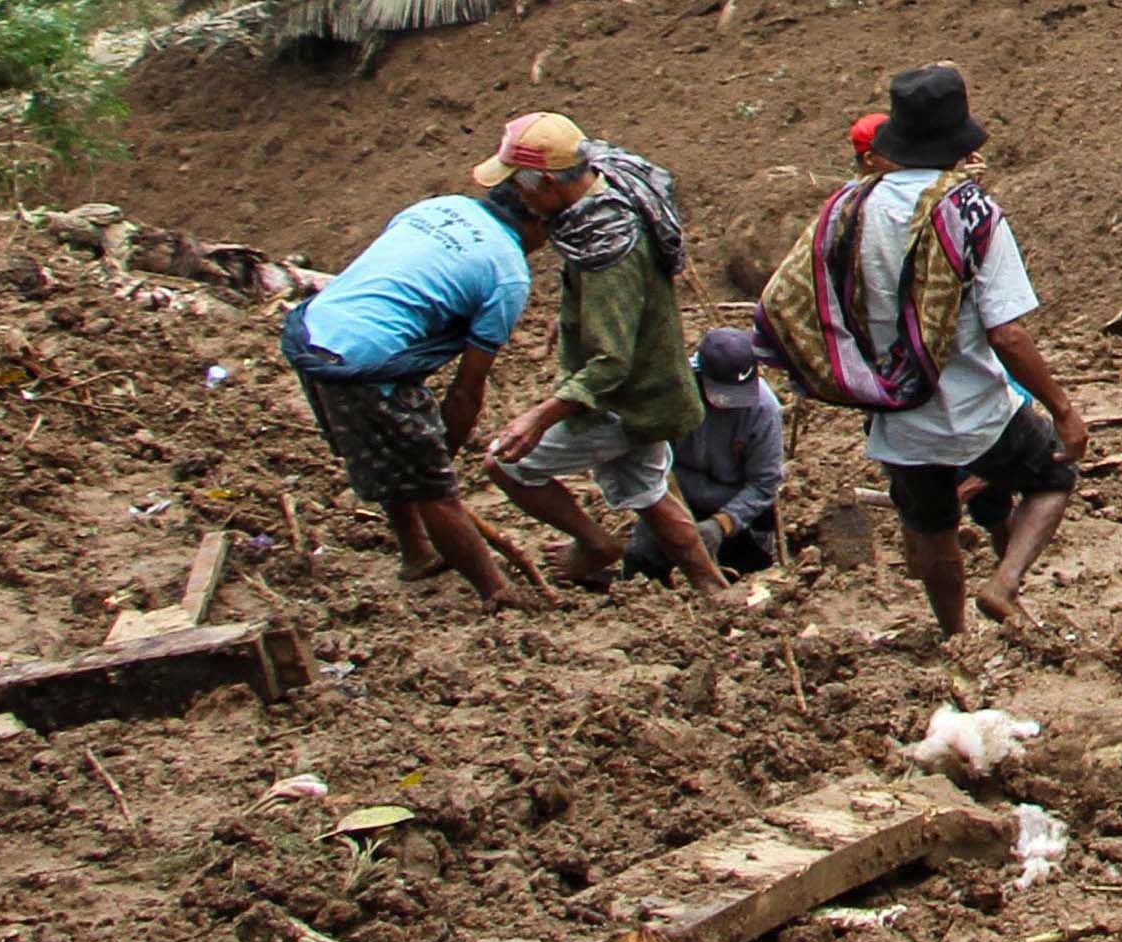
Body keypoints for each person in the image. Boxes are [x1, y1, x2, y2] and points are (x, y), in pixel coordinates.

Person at [281, 139, 579, 605]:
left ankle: (416, 551)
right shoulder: (507, 273)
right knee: (432, 485)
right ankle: (496, 591)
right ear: (537, 222)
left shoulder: (441, 207)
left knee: (396, 457)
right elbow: (466, 390)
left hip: (315, 332)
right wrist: (442, 460)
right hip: (364, 359)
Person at [849, 64, 1081, 641]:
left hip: (896, 410)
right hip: (974, 406)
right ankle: (1003, 584)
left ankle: (953, 637)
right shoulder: (972, 213)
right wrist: (1062, 406)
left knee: (930, 525)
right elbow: (1008, 333)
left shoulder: (852, 212)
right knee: (1052, 478)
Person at [481, 124, 722, 595]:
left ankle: (593, 544)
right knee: (649, 493)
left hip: (621, 401)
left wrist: (539, 416)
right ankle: (712, 586)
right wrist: (574, 312)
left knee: (504, 463)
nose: (518, 197)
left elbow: (611, 362)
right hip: (653, 388)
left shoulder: (609, 245)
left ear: (548, 182)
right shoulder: (610, 186)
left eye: (519, 184)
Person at [623, 324, 790, 578]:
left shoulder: (763, 410)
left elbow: (764, 483)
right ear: (700, 376)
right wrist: (674, 516)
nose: (732, 405)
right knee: (641, 566)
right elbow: (648, 458)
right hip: (674, 499)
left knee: (747, 579)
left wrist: (722, 523)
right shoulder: (671, 392)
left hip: (736, 507)